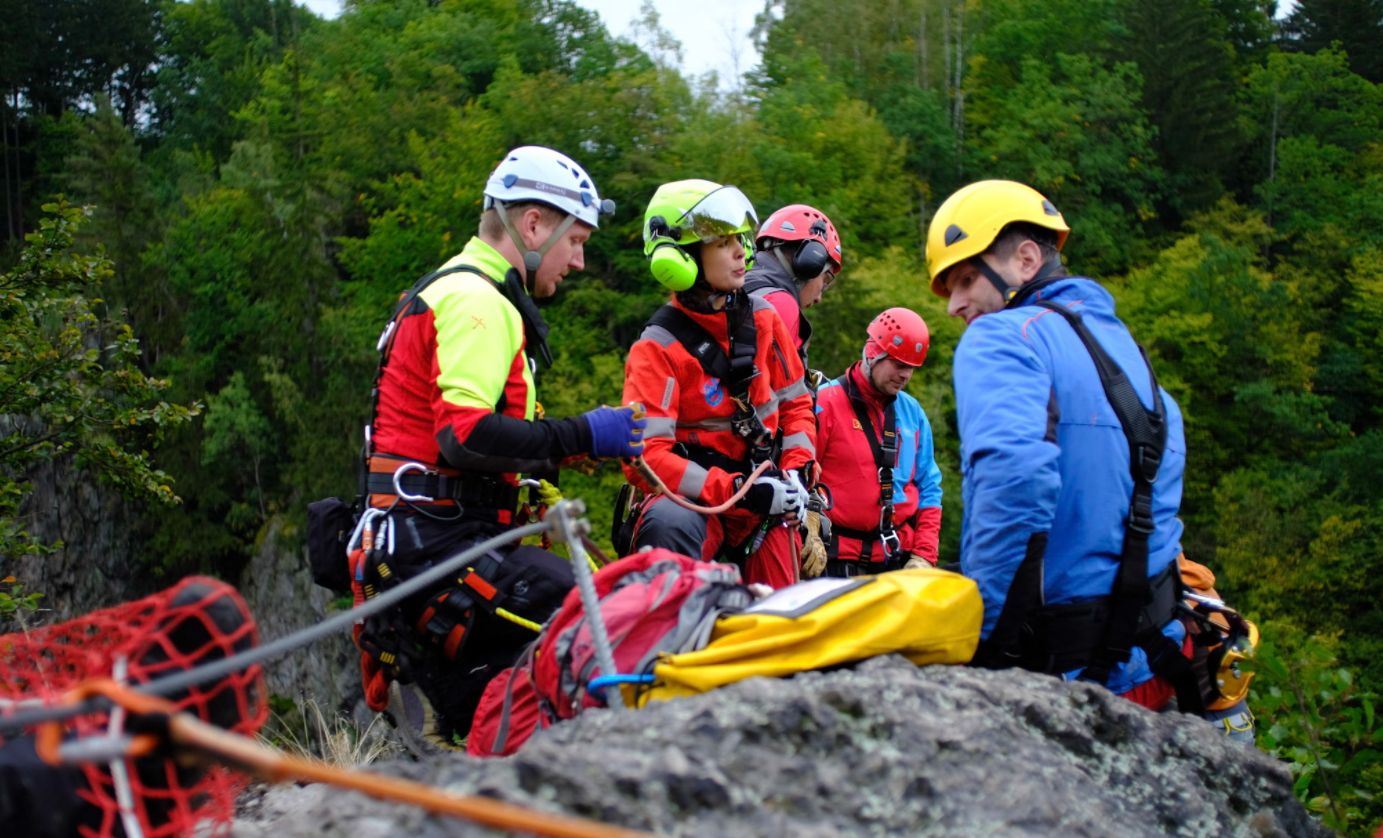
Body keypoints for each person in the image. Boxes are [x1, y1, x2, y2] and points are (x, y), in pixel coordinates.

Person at [356, 145, 645, 742]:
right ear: (534, 223)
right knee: (604, 625)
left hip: (425, 540)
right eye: (576, 241)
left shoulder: (456, 291)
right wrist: (585, 432)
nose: (580, 261)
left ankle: (461, 729)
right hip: (437, 549)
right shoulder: (479, 302)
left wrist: (546, 467)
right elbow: (465, 437)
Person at [925, 179, 1195, 712]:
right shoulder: (1128, 353)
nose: (954, 305)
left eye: (965, 278)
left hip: (1064, 677)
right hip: (1156, 660)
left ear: (1026, 259)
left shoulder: (1004, 337)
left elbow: (1013, 482)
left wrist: (986, 648)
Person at [621, 179, 817, 589]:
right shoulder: (657, 349)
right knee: (668, 523)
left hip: (763, 500)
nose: (740, 253)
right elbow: (645, 458)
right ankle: (665, 640)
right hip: (695, 504)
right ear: (683, 257)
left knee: (784, 619)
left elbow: (797, 407)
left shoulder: (764, 320)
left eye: (738, 240)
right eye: (721, 242)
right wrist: (737, 491)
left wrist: (797, 473)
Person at [804, 307, 943, 578]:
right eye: (899, 364)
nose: (906, 375)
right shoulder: (825, 404)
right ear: (872, 354)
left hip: (895, 562)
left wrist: (924, 555)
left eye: (911, 368)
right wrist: (805, 531)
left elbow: (929, 488)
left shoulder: (912, 414)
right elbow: (797, 474)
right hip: (833, 562)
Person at [743, 204, 843, 382]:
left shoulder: (738, 284)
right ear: (811, 263)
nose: (819, 297)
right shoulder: (780, 304)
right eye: (825, 282)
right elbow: (777, 395)